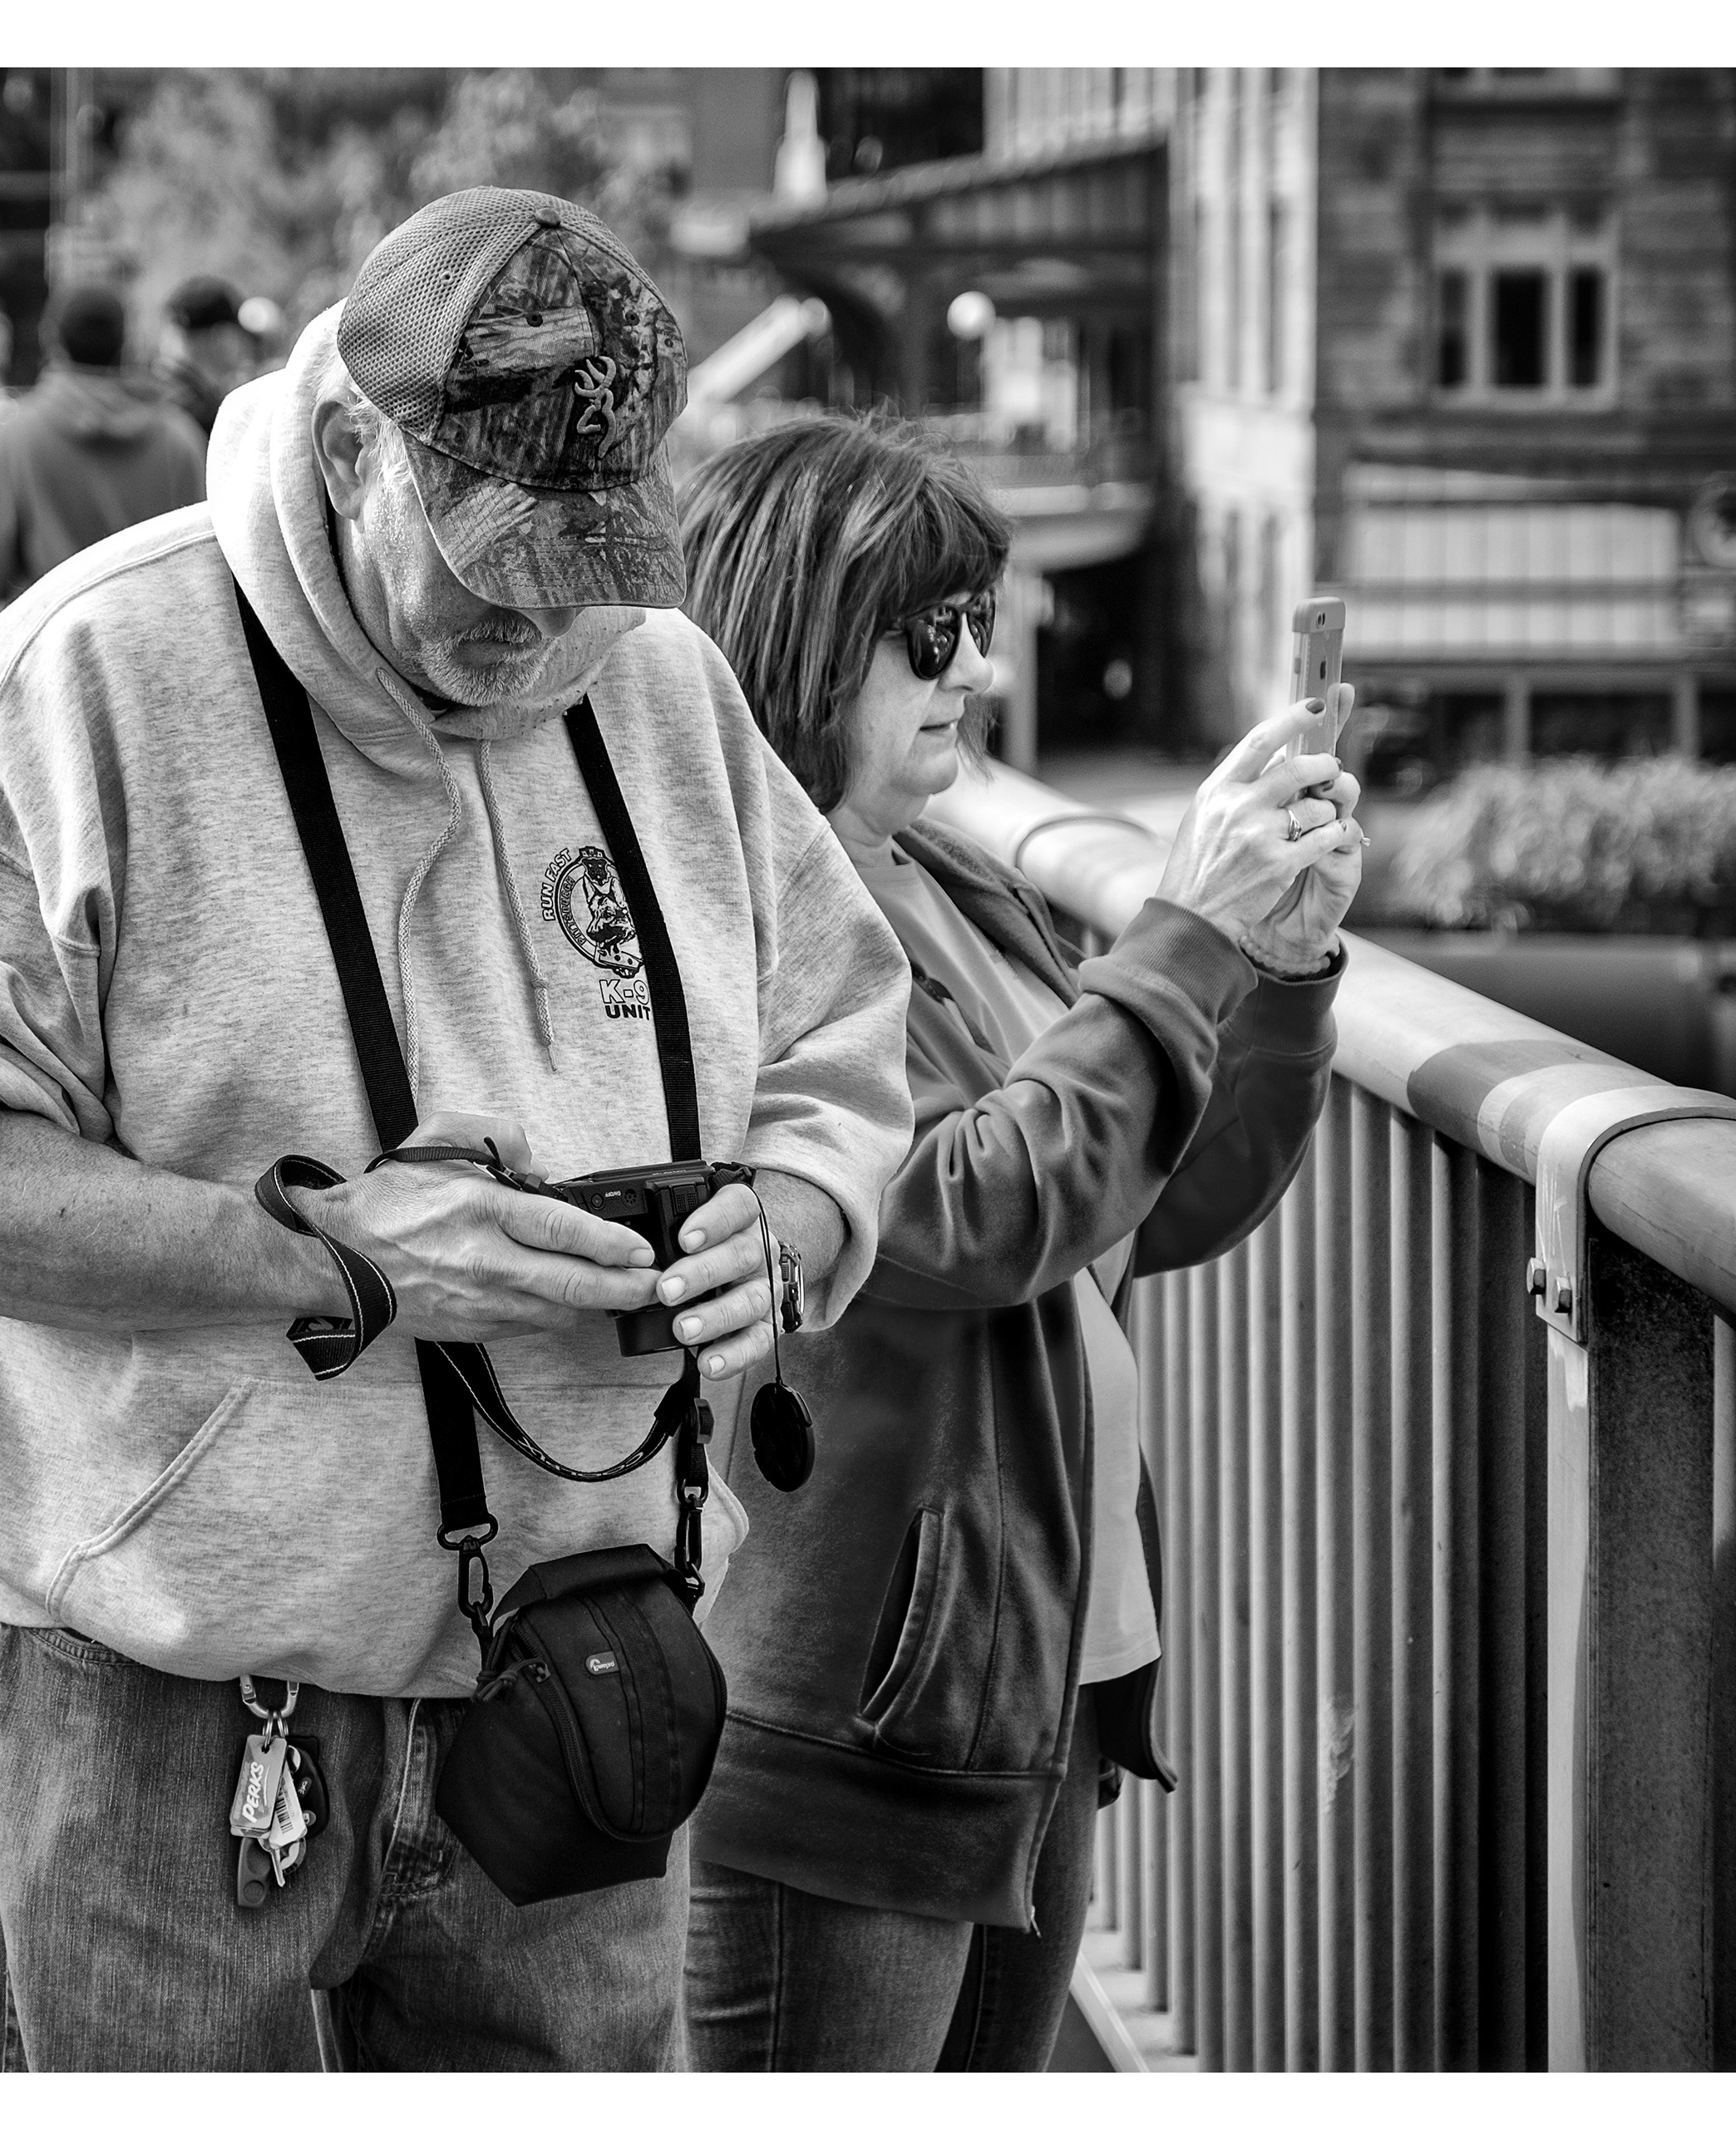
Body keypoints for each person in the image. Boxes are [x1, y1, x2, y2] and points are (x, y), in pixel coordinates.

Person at [0, 187, 915, 2071]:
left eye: (591, 566)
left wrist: (790, 1216)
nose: (538, 630)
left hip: (585, 1683)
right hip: (174, 1701)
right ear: (339, 447)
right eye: (488, 571)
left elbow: (840, 1041)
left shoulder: (662, 679)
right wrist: (340, 1256)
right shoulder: (77, 682)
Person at [669, 414, 1362, 2069]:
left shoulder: (946, 885)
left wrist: (1277, 978)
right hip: (855, 1714)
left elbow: (1144, 1193)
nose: (975, 672)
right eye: (932, 635)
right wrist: (1186, 936)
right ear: (799, 632)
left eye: (983, 625)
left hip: (1025, 1682)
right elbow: (976, 1212)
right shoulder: (740, 935)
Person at [0, 281, 207, 645]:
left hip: (48, 666)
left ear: (53, 342)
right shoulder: (180, 441)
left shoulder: (12, 441)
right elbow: (207, 574)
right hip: (157, 663)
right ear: (126, 345)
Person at [156, 272, 260, 444]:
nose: (244, 345)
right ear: (220, 336)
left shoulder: (150, 397)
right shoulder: (205, 415)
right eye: (238, 333)